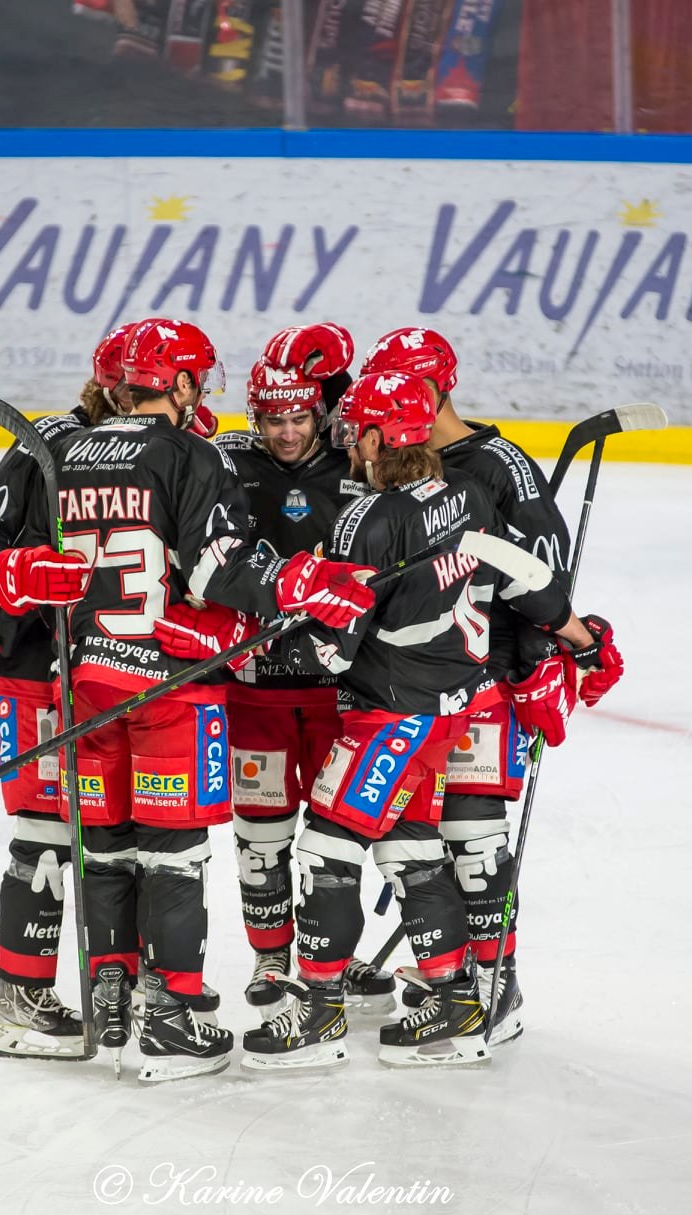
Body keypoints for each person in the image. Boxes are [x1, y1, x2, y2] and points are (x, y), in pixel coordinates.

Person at [0, 316, 376, 1081]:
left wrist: (17, 584)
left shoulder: (66, 450)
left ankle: (112, 995)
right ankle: (169, 1021)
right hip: (171, 687)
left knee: (105, 846)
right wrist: (294, 583)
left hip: (85, 686)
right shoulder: (191, 453)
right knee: (173, 853)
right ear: (177, 384)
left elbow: (15, 565)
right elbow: (214, 570)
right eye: (196, 380)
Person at [240, 370, 588, 1070]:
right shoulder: (467, 493)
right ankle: (455, 1001)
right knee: (411, 849)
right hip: (449, 710)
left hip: (389, 716)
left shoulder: (367, 520)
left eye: (355, 431)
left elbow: (335, 651)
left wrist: (271, 640)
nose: (347, 443)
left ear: (377, 438)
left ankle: (318, 1011)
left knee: (327, 851)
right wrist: (583, 640)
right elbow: (529, 579)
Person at [356, 326, 624, 1046]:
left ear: (433, 388)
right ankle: (453, 973)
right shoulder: (399, 460)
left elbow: (541, 579)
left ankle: (495, 982)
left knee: (473, 836)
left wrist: (543, 661)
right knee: (417, 838)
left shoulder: (500, 466)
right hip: (409, 684)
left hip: (487, 682)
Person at [0, 322, 138, 1061]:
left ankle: (125, 983)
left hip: (119, 680)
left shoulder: (164, 449)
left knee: (120, 837)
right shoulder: (46, 446)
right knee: (48, 835)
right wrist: (11, 585)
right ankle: (21, 999)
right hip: (37, 679)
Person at [207, 323, 396, 1016]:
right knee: (261, 836)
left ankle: (331, 957)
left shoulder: (356, 458)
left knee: (333, 836)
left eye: (299, 418)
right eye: (272, 420)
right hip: (251, 688)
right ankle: (270, 957)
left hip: (337, 688)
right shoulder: (224, 461)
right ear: (253, 417)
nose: (287, 433)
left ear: (320, 412)